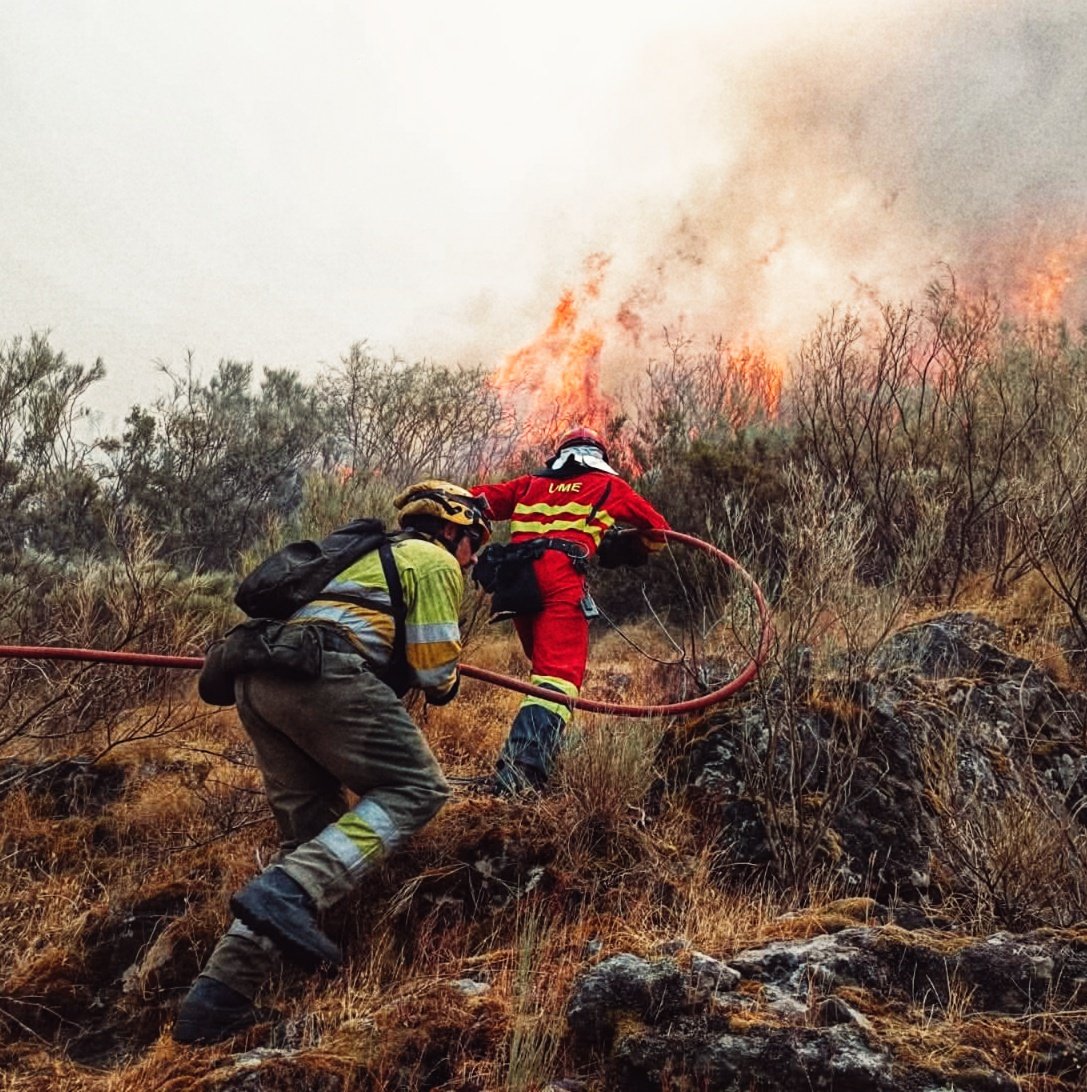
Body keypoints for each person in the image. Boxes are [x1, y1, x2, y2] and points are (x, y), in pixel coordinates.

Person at [172, 480, 491, 1045]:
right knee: (417, 789)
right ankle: (287, 895)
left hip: (263, 680)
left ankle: (214, 1002)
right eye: (473, 544)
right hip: (325, 675)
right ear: (450, 529)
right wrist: (450, 674)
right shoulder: (433, 562)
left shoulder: (367, 555)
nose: (472, 560)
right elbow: (436, 674)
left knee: (309, 841)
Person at [472, 426, 670, 795]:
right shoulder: (610, 486)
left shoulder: (529, 483)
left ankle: (549, 752)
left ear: (561, 454)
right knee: (558, 677)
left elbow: (475, 501)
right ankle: (521, 772)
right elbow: (658, 531)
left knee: (541, 672)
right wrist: (617, 541)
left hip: (516, 579)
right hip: (559, 576)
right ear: (599, 457)